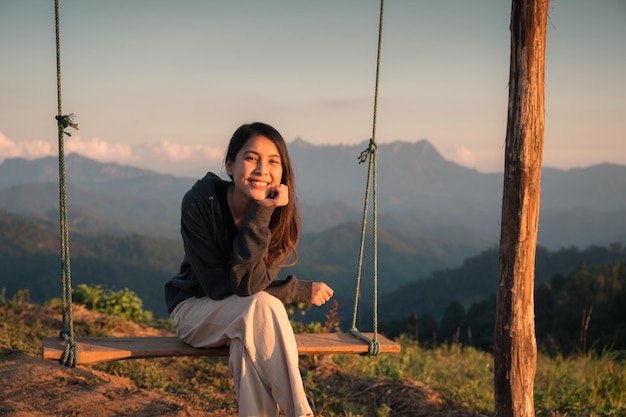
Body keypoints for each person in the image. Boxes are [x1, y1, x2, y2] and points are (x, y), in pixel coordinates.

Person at [164, 122, 334, 417]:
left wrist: (263, 214)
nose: (261, 170)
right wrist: (296, 290)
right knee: (262, 305)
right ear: (230, 165)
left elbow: (249, 284)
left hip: (245, 318)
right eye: (251, 158)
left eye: (272, 162)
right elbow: (223, 287)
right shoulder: (199, 203)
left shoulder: (283, 220)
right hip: (194, 311)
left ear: (283, 172)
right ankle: (301, 412)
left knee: (249, 344)